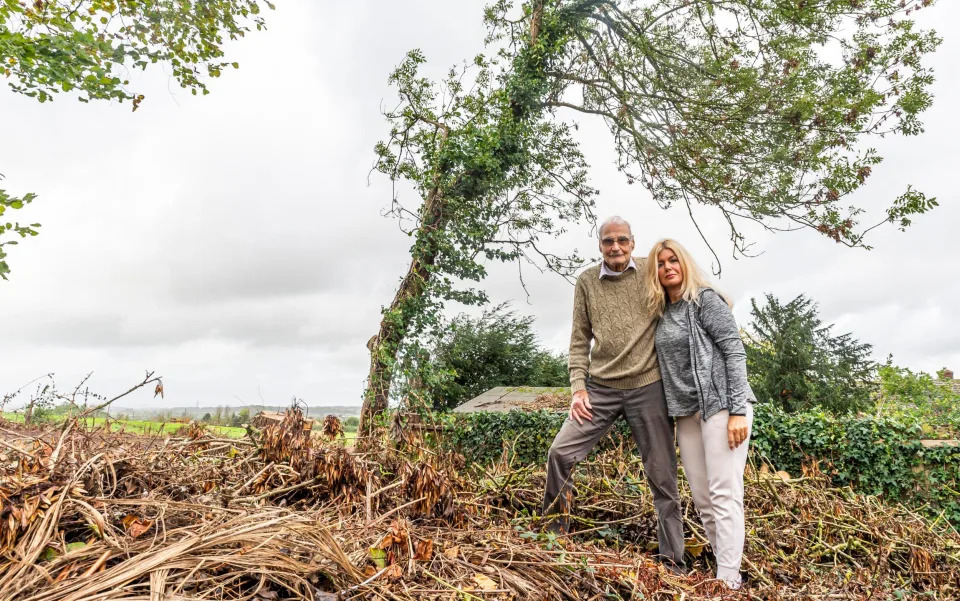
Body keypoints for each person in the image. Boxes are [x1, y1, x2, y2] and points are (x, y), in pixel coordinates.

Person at [542, 216, 686, 573]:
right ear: (600, 246)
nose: (616, 247)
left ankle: (673, 561)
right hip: (600, 390)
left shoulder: (649, 274)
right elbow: (578, 340)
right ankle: (552, 540)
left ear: (633, 243)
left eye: (622, 240)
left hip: (648, 387)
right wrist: (577, 389)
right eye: (608, 241)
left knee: (663, 475)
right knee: (560, 453)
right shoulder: (587, 281)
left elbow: (682, 303)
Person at [644, 238, 756, 590]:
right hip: (686, 414)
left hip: (721, 406)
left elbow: (734, 352)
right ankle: (726, 563)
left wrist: (738, 410)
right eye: (660, 263)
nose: (667, 268)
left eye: (672, 260)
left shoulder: (704, 300)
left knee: (724, 492)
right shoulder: (662, 311)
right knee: (703, 497)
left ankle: (728, 580)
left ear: (685, 263)